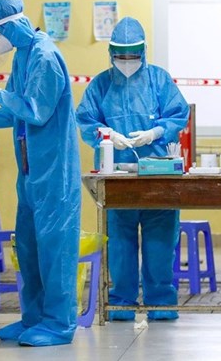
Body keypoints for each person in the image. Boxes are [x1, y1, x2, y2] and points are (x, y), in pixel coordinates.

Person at [0, 0, 81, 347]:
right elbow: (14, 111)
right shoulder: (25, 57)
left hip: (54, 174)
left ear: (8, 27)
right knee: (28, 247)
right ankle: (33, 318)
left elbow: (36, 111)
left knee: (54, 249)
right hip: (31, 173)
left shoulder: (44, 56)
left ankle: (59, 323)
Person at [76, 17, 190, 321]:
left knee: (160, 244)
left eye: (133, 56)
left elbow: (178, 115)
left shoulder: (159, 80)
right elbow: (86, 122)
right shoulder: (100, 84)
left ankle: (162, 305)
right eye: (121, 56)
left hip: (158, 178)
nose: (128, 62)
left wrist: (154, 133)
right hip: (118, 178)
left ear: (144, 52)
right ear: (111, 54)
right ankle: (121, 304)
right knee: (121, 245)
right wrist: (107, 134)